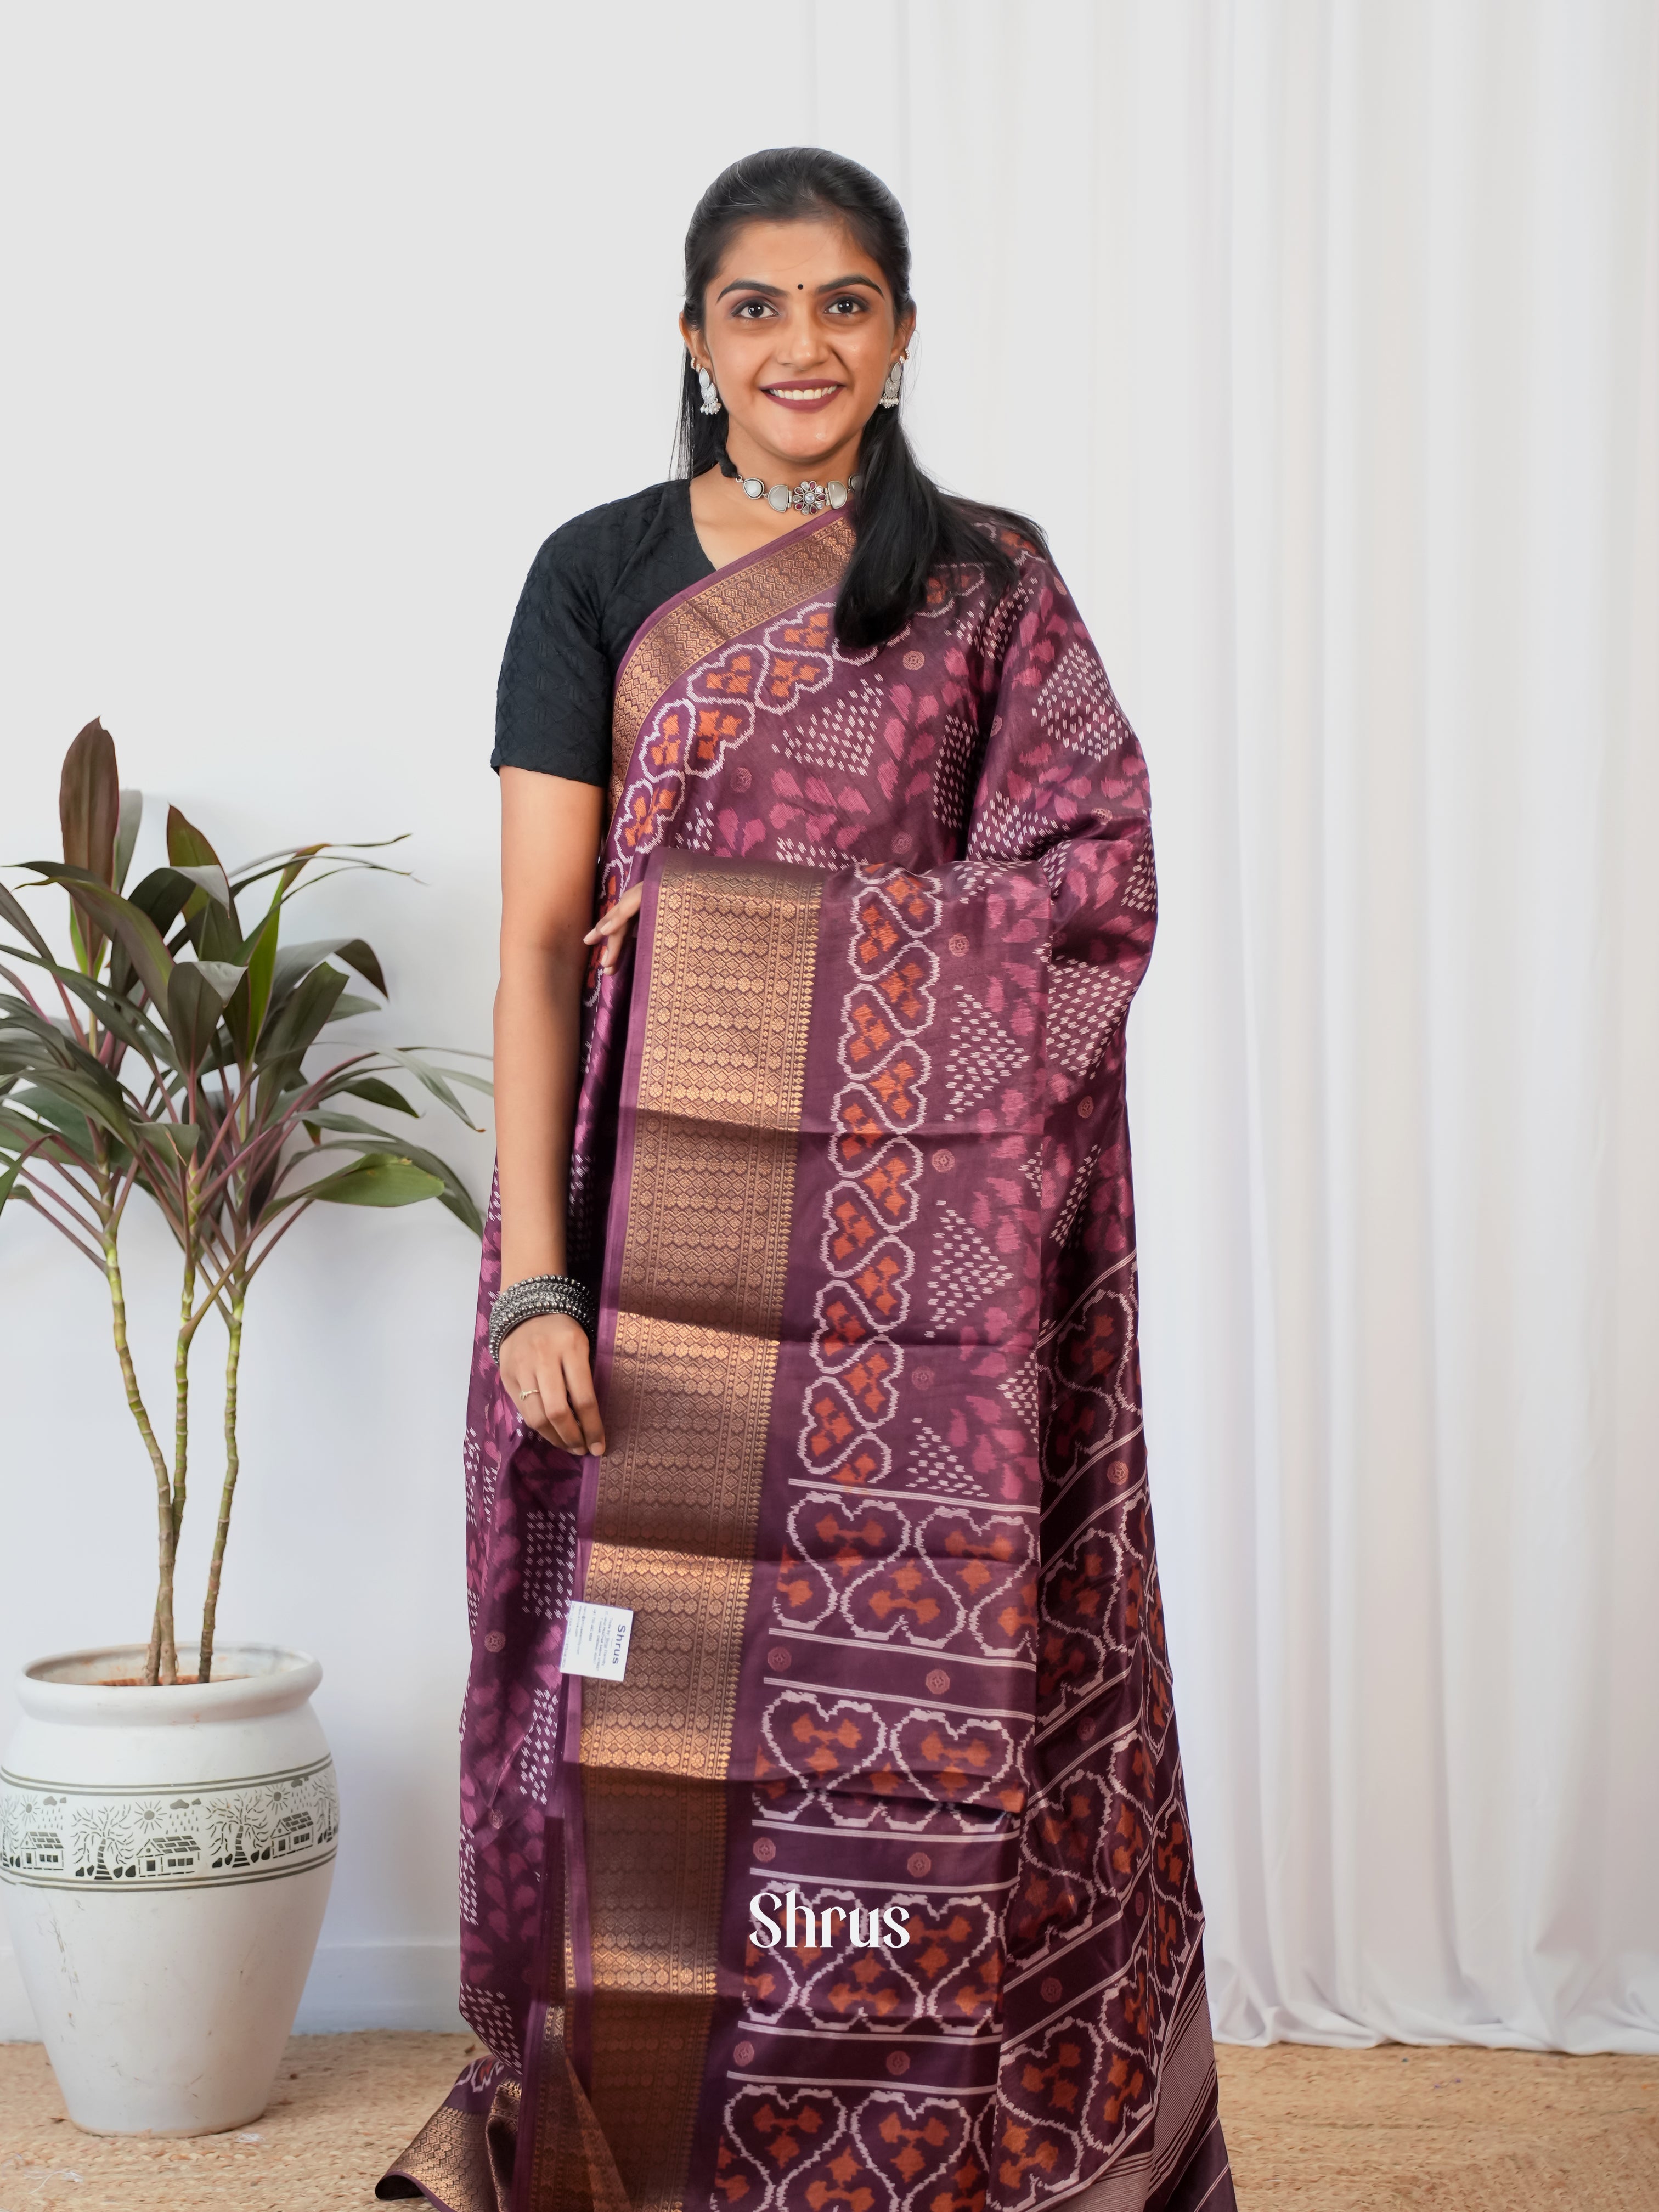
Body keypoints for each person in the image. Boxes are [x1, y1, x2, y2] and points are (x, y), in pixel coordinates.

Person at [382, 146, 1235, 2212]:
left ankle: (917, 2143)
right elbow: (540, 948)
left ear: (904, 334)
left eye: (844, 303)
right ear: (694, 338)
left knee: (915, 1730)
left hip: (920, 1297)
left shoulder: (991, 583)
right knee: (638, 1717)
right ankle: (635, 2144)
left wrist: (734, 925)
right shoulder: (594, 573)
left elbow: (1092, 894)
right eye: (755, 307)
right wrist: (536, 1283)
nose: (800, 344)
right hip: (642, 1245)